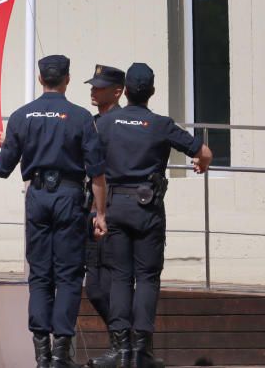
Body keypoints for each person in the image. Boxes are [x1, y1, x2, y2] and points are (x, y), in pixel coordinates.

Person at [90, 63, 213, 368]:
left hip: (115, 206)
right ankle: (141, 351)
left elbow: (91, 165)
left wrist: (99, 212)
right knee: (146, 278)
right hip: (148, 209)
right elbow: (204, 151)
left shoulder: (105, 123)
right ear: (152, 92)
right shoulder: (161, 124)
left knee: (119, 276)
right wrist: (202, 164)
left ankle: (120, 350)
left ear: (126, 91)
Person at [0, 55, 106, 368]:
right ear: (67, 79)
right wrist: (100, 213)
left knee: (41, 275)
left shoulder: (20, 117)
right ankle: (60, 354)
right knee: (69, 275)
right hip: (70, 197)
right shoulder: (82, 117)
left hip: (38, 196)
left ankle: (41, 355)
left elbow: (3, 169)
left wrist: (6, 145)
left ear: (41, 79)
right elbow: (97, 173)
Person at [83, 64, 124, 366]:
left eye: (99, 87)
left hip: (112, 213)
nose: (93, 91)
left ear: (118, 91)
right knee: (96, 287)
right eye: (92, 86)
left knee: (105, 285)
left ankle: (126, 345)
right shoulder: (93, 123)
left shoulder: (120, 124)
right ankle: (125, 344)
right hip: (92, 211)